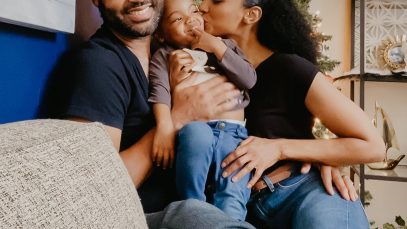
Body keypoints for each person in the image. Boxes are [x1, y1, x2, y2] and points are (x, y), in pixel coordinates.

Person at [167, 0, 385, 228]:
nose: (202, 7)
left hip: (299, 191)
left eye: (217, 0)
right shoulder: (194, 67)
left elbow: (373, 146)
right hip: (235, 208)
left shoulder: (290, 68)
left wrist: (280, 148)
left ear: (251, 15)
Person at [42, 0, 255, 228]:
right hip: (152, 213)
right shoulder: (100, 65)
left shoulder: (166, 54)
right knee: (195, 213)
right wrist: (178, 118)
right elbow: (92, 188)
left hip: (208, 190)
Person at [148, 0, 256, 220]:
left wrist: (216, 46)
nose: (190, 20)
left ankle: (231, 222)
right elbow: (159, 92)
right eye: (178, 19)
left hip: (234, 134)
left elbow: (248, 79)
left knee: (233, 191)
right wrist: (164, 126)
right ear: (161, 34)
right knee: (197, 138)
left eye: (194, 11)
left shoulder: (226, 46)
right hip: (196, 127)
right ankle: (194, 212)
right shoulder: (165, 56)